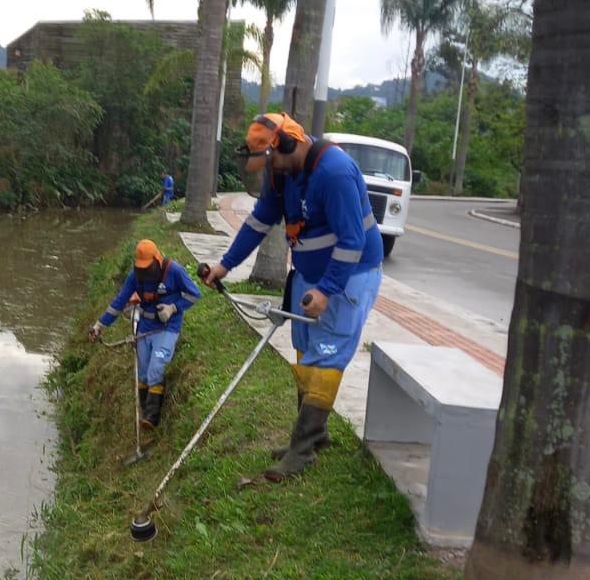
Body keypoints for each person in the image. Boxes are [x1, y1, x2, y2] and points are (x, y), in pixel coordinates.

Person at [202, 112, 383, 481]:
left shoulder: (334, 173)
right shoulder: (281, 173)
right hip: (309, 272)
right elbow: (258, 221)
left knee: (326, 354)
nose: (269, 170)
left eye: (271, 160)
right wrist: (225, 265)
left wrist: (328, 290)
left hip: (351, 273)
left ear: (289, 144)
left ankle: (301, 451)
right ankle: (316, 434)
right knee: (303, 344)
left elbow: (353, 242)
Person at [90, 239, 200, 427]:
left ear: (157, 260)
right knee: (143, 372)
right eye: (141, 267)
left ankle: (152, 417)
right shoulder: (135, 276)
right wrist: (99, 325)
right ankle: (144, 412)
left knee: (156, 367)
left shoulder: (174, 271)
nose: (144, 271)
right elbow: (119, 302)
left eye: (147, 267)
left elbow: (194, 294)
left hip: (167, 328)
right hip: (144, 329)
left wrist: (173, 308)